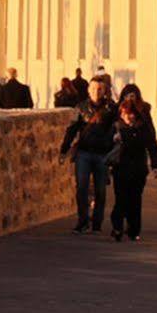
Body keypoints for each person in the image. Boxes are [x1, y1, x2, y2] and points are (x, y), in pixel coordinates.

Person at [59, 77, 117, 234]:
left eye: (99, 89)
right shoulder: (81, 107)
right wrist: (64, 149)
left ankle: (97, 223)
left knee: (100, 190)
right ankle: (82, 221)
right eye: (93, 89)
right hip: (84, 152)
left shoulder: (111, 108)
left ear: (104, 91)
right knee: (81, 188)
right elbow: (72, 129)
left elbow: (117, 129)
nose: (96, 92)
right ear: (88, 90)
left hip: (102, 154)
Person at [109, 84, 157, 242]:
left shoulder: (143, 124)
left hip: (138, 167)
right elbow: (105, 143)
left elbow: (152, 143)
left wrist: (155, 166)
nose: (129, 117)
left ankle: (133, 229)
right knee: (121, 198)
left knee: (135, 199)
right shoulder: (116, 125)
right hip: (120, 167)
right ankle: (117, 226)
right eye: (127, 96)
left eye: (133, 96)